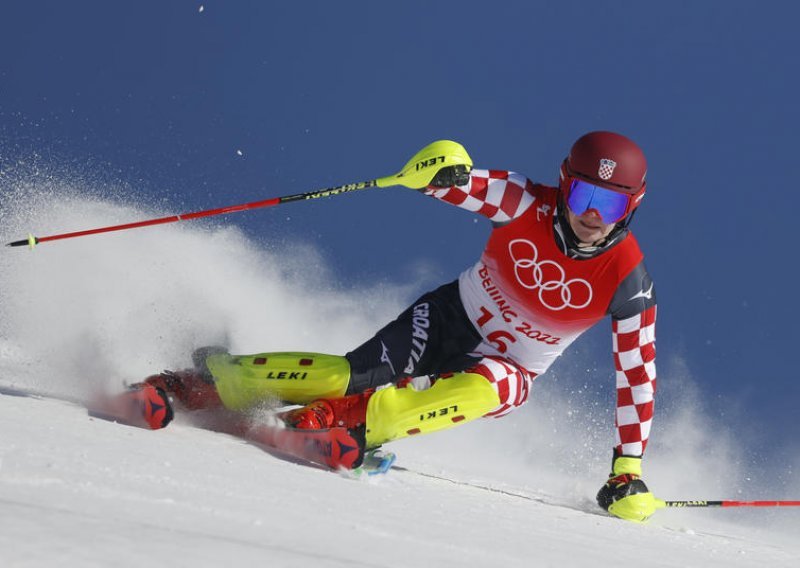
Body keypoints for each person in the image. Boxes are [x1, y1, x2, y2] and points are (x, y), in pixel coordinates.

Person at [126, 132, 659, 522]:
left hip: (512, 364)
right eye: (583, 195)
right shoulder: (524, 202)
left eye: (609, 202)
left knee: (493, 389)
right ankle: (205, 380)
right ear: (564, 186)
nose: (592, 214)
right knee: (347, 374)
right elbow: (460, 186)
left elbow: (636, 376)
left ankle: (345, 426)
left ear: (629, 207)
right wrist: (440, 174)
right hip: (453, 315)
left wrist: (627, 467)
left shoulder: (626, 279)